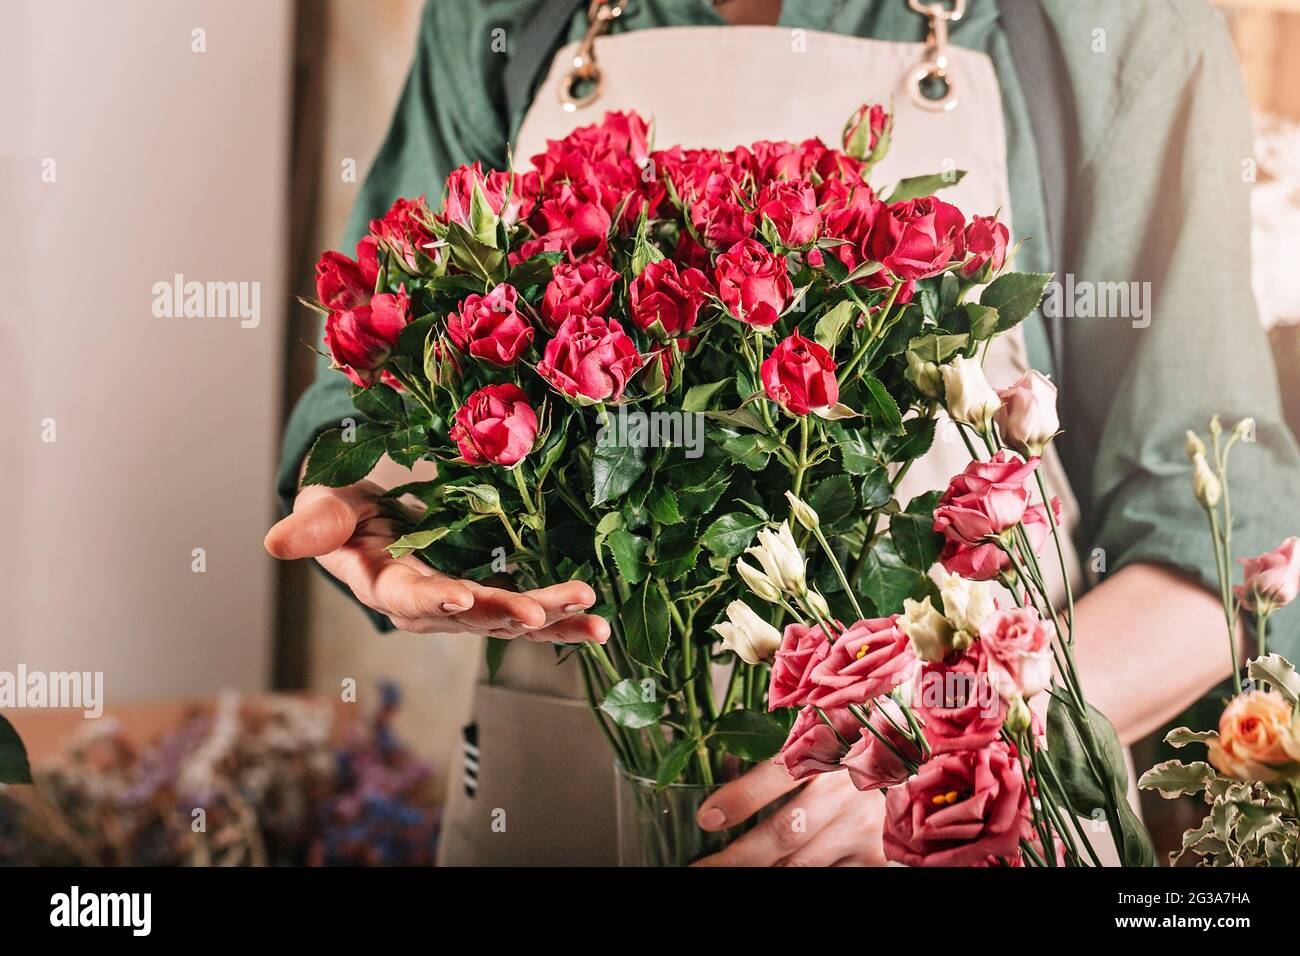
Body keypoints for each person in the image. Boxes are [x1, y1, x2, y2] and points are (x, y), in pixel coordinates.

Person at [265, 0, 1300, 866]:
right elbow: (375, 382)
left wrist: (958, 735)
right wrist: (370, 511)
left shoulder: (1111, 23)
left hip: (946, 825)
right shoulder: (501, 17)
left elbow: (1233, 548)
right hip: (562, 797)